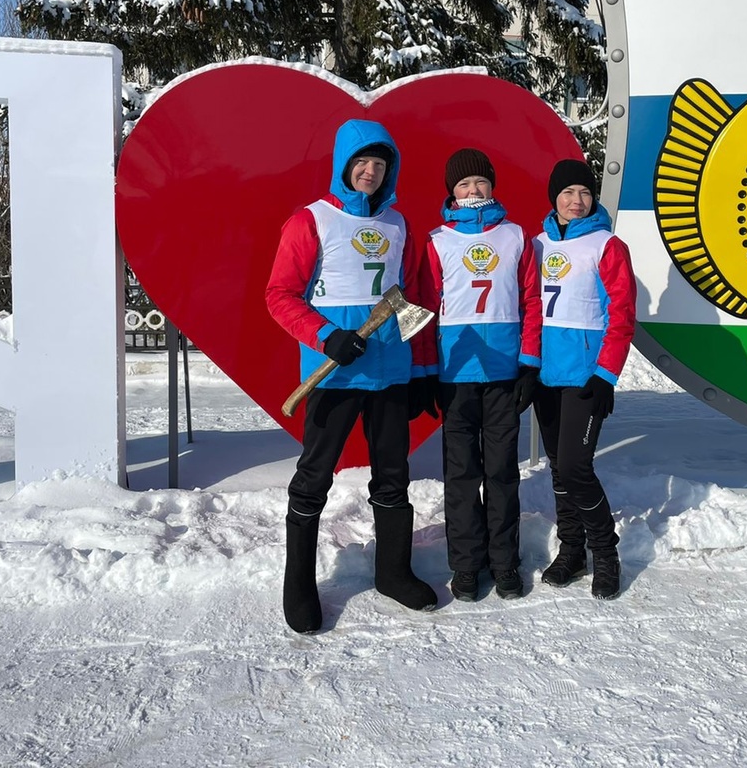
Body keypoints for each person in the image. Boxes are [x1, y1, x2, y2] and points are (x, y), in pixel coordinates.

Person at [266, 118, 439, 633]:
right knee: (315, 476)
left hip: (390, 374)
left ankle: (393, 571)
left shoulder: (398, 224)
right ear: (344, 165)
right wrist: (326, 336)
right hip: (335, 376)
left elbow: (409, 298)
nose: (369, 172)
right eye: (361, 162)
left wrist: (421, 367)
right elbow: (279, 296)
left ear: (390, 171)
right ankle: (297, 582)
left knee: (393, 476)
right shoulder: (310, 220)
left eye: (379, 164)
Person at [421, 149, 542, 602]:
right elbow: (425, 311)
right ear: (451, 191)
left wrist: (529, 363)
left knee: (502, 473)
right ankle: (467, 566)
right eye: (464, 184)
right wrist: (426, 371)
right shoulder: (437, 240)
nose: (473, 191)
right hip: (455, 375)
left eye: (480, 182)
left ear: (492, 186)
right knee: (461, 475)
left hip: (503, 374)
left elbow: (532, 304)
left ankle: (504, 562)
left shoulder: (516, 236)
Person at [530, 158, 636, 600]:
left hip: (585, 377)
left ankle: (605, 552)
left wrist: (606, 374)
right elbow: (529, 310)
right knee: (558, 468)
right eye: (568, 193)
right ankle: (572, 549)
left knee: (576, 465)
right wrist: (525, 365)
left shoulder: (606, 245)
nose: (576, 201)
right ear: (554, 198)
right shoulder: (535, 245)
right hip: (544, 375)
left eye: (585, 193)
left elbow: (622, 315)